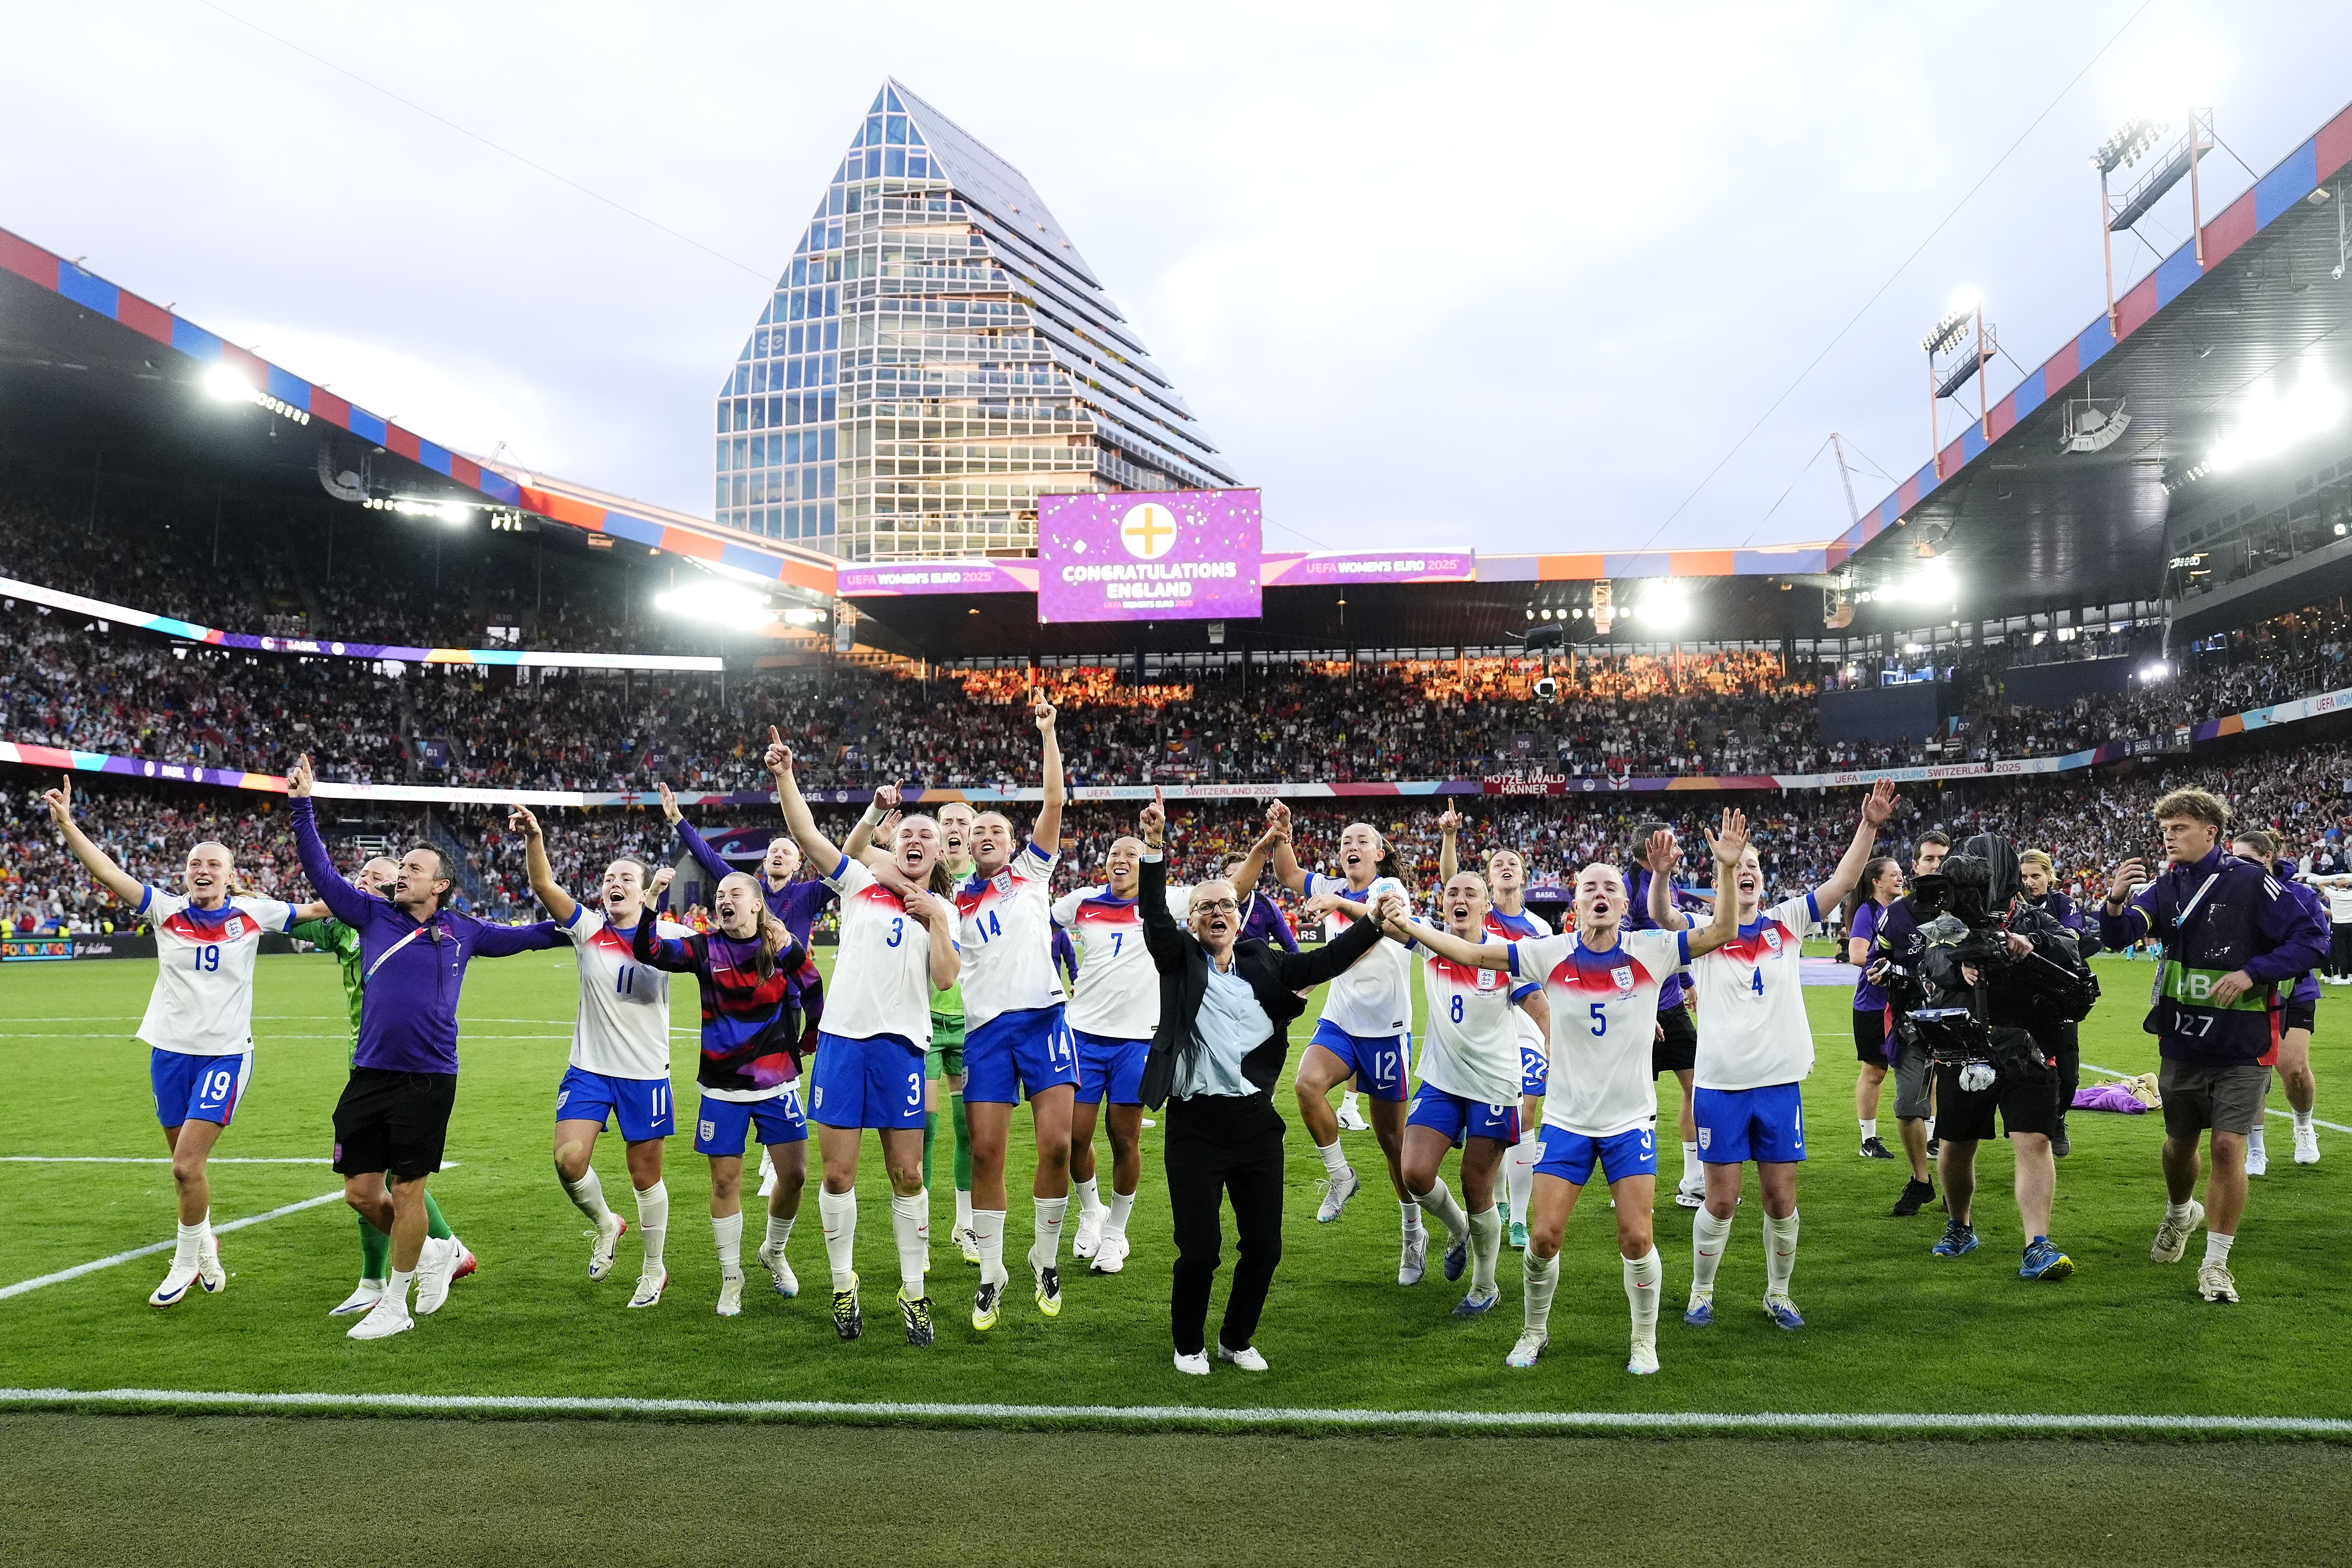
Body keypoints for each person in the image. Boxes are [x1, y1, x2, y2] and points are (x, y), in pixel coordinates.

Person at [1397, 817, 1745, 1375]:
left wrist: (1726, 868)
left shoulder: (1650, 950)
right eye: (1590, 889)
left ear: (1622, 904)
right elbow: (1470, 957)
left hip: (1629, 1120)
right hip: (1566, 1122)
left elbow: (1723, 930)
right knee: (1542, 1237)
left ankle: (1644, 1341)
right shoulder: (1548, 952)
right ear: (1574, 907)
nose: (1601, 895)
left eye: (1610, 887)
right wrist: (1414, 929)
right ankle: (1534, 1333)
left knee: (1636, 1237)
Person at [286, 756, 560, 1341]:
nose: (401, 874)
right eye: (401, 867)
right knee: (362, 1192)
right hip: (369, 1075)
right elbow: (321, 874)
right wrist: (302, 804)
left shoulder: (466, 930)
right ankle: (436, 1250)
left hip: (429, 1078)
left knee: (409, 1189)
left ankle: (397, 1300)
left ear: (440, 884)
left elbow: (537, 934)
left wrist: (591, 923)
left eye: (414, 867)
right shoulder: (370, 916)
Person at [1133, 789, 1406, 1375]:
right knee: (1200, 1251)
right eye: (1205, 906)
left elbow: (1323, 963)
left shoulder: (1263, 960)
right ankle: (1188, 1344)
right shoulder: (1178, 960)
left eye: (1226, 905)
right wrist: (1155, 847)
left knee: (1265, 1248)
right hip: (1195, 1127)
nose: (1216, 913)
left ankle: (1235, 1338)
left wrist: (1377, 924)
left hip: (1256, 1126)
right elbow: (1154, 919)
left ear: (1240, 913)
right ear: (1192, 921)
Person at [41, 777, 317, 1309]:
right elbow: (107, 872)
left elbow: (320, 909)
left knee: (185, 1166)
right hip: (169, 1052)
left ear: (232, 876)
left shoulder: (254, 914)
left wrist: (379, 899)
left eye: (214, 865)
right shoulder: (165, 911)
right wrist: (68, 826)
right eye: (196, 864)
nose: (203, 870)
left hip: (226, 1054)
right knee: (186, 1170)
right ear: (185, 873)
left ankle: (185, 1262)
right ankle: (206, 1249)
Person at [1653, 778, 1898, 1331]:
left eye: (1754, 871)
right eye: (1738, 869)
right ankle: (1702, 1292)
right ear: (1724, 875)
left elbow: (1843, 880)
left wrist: (1870, 825)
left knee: (1781, 1199)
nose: (1747, 875)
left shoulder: (1786, 922)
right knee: (1721, 1203)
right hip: (1719, 1088)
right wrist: (1666, 875)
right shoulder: (1704, 933)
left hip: (1777, 1085)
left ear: (1763, 882)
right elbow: (1663, 916)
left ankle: (1777, 1293)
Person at [2099, 788, 2329, 1303]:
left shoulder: (2252, 883)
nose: (2169, 836)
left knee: (2228, 1146)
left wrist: (2254, 972)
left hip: (2244, 1043)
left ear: (2211, 831)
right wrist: (2114, 900)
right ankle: (2181, 1215)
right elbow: (2118, 937)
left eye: (2179, 828)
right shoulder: (2164, 888)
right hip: (2182, 1042)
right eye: (2165, 829)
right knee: (2180, 1145)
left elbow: (2313, 940)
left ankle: (2217, 1264)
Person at [770, 729, 959, 1345]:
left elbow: (945, 978)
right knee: (838, 1177)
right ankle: (845, 1284)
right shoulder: (858, 883)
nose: (916, 841)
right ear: (890, 844)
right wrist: (784, 776)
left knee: (909, 1175)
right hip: (843, 1044)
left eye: (926, 837)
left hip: (905, 1049)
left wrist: (932, 918)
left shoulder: (943, 911)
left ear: (939, 856)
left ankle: (913, 1291)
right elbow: (807, 837)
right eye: (907, 834)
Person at [924, 695, 1079, 1330]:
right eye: (976, 831)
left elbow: (1054, 803)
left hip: (1043, 1021)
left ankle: (1045, 1258)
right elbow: (942, 967)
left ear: (1011, 843)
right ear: (962, 845)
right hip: (986, 1035)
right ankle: (992, 1274)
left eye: (996, 831)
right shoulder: (951, 902)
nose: (985, 837)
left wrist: (1047, 733)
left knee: (1058, 1146)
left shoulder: (1032, 875)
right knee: (986, 1153)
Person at [510, 806, 692, 1309]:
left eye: (626, 878)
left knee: (645, 1177)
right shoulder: (587, 928)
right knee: (569, 1161)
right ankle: (606, 1224)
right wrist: (536, 837)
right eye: (609, 877)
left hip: (645, 1074)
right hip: (589, 1068)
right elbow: (545, 884)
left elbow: (725, 955)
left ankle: (654, 1270)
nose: (615, 882)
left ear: (643, 891)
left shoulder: (672, 937)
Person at [292, 853, 478, 1318]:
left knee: (401, 1177)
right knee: (367, 1180)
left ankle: (407, 1266)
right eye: (362, 876)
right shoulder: (344, 928)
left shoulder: (396, 924)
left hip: (412, 1064)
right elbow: (291, 917)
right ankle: (394, 1271)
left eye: (377, 877)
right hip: (366, 1061)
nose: (366, 882)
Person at [630, 867, 812, 1317]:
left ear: (756, 904)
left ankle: (773, 1249)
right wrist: (652, 898)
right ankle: (732, 1279)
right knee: (726, 1183)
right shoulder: (703, 947)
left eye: (734, 893)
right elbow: (648, 949)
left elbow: (813, 986)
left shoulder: (780, 945)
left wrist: (810, 1040)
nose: (724, 900)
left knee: (795, 1176)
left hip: (777, 1082)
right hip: (723, 1088)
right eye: (719, 895)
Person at [1262, 800, 1428, 1284]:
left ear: (1380, 852)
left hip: (1387, 1029)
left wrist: (1339, 904)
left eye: (1361, 840)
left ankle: (1412, 1232)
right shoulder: (1333, 886)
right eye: (1344, 843)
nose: (1351, 847)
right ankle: (1341, 1176)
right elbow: (1290, 873)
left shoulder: (1389, 888)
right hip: (1341, 1020)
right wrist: (1284, 833)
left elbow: (1386, 927)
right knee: (1307, 1085)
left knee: (1392, 1140)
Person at [1913, 835, 2087, 1280]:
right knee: (1955, 1144)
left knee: (2035, 1140)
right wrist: (1961, 967)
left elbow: (2071, 950)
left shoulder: (2034, 918)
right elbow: (1930, 963)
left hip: (2027, 1044)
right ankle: (1959, 1225)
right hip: (1965, 1045)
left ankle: (2038, 1243)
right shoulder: (1947, 923)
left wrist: (2030, 946)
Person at [1390, 865, 1553, 1318]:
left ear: (1486, 906)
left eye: (1470, 894)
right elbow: (1386, 923)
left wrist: (1554, 1042)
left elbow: (1541, 1010)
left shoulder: (1505, 956)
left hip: (1495, 1086)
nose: (1459, 899)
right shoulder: (1430, 943)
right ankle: (1458, 1228)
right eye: (1451, 893)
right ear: (1444, 904)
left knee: (1476, 1182)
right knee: (1416, 1174)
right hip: (1442, 1082)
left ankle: (1484, 1286)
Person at [1050, 828, 1212, 1274]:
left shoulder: (1166, 902)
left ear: (1147, 864)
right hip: (1081, 1036)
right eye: (1114, 853)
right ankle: (1091, 1213)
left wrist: (1264, 847)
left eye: (1132, 854)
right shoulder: (1082, 900)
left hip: (1137, 1041)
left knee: (1125, 1138)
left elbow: (1227, 891)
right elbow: (1036, 928)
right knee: (1075, 1139)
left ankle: (1116, 1233)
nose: (1121, 859)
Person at [1437, 807, 1553, 1246]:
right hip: (1484, 1025)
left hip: (1524, 1024)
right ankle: (1500, 1199)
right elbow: (1454, 883)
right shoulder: (1483, 918)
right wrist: (1450, 839)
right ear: (1488, 884)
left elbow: (1553, 980)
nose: (1506, 867)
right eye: (1497, 863)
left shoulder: (1540, 928)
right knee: (1497, 1118)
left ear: (1523, 876)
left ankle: (1520, 1217)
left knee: (1524, 1113)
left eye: (1513, 863)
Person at [1866, 830, 1955, 1215]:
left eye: (1942, 859)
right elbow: (1875, 958)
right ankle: (1922, 1181)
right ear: (1915, 866)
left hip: (1959, 1024)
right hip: (1910, 1023)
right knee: (1907, 1106)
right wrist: (1880, 971)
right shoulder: (1896, 914)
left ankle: (1955, 1180)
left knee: (1958, 1108)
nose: (1935, 866)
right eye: (1929, 859)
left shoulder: (1963, 910)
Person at [2232, 830, 2325, 1173]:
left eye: (2246, 859)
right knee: (2252, 1071)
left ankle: (2304, 1127)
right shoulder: (2232, 893)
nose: (2238, 866)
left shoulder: (2299, 894)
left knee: (2295, 1070)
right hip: (2248, 991)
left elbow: (2313, 942)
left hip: (2294, 989)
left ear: (2267, 857)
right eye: (2234, 859)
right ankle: (2256, 1148)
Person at [1627, 823, 1707, 1210]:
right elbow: (1619, 948)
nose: (1678, 847)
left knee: (1697, 1086)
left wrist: (1687, 979)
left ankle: (1693, 1181)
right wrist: (1639, 1004)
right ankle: (1629, 1183)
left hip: (1672, 1007)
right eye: (1670, 840)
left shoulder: (1670, 884)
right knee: (1636, 1100)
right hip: (1637, 1011)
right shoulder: (1626, 885)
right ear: (1651, 846)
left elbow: (1672, 943)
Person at [2017, 849, 2089, 1157]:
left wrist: (2033, 941)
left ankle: (2058, 1119)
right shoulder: (2010, 907)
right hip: (2022, 998)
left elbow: (2070, 938)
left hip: (2060, 998)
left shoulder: (2064, 904)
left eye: (2036, 875)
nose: (2030, 882)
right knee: (2021, 1067)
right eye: (2024, 877)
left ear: (2050, 876)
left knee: (2069, 1073)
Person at [1847, 856, 1903, 1162]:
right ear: (1876, 882)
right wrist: (1892, 961)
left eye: (1901, 873)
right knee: (1876, 1072)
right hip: (1873, 1006)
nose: (1900, 878)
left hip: (1903, 1002)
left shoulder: (1903, 910)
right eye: (1893, 875)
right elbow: (1857, 955)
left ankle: (1934, 1137)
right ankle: (1868, 1140)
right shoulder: (1868, 912)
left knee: (1929, 1071)